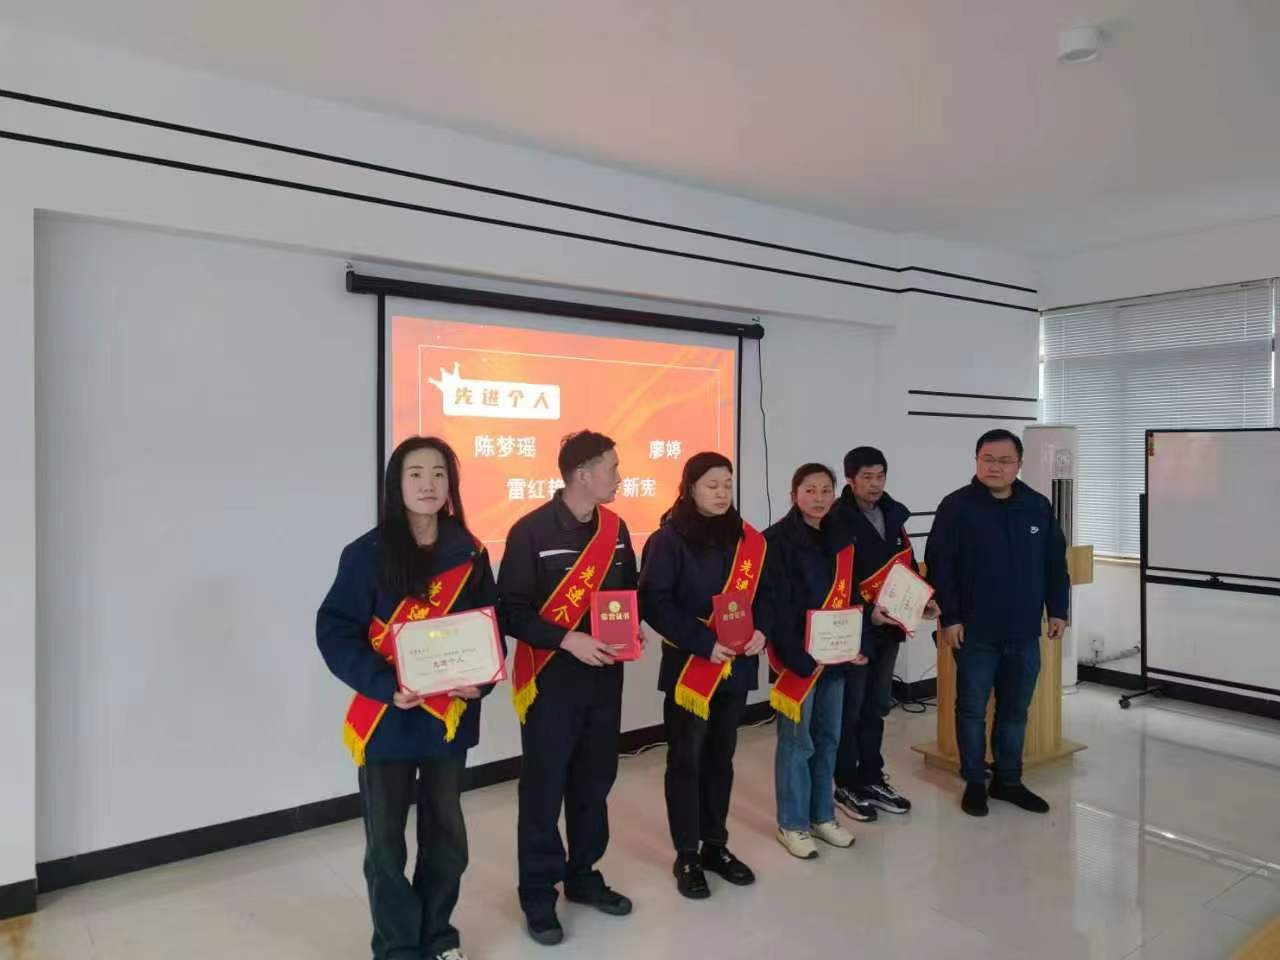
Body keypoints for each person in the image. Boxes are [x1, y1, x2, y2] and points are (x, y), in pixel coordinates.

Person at [317, 436, 499, 960]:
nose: (428, 484)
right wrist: (383, 685)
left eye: (439, 473)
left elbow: (490, 626)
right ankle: (397, 945)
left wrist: (481, 681)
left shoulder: (470, 552)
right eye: (415, 473)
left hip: (447, 718)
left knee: (446, 837)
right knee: (386, 844)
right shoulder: (366, 555)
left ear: (451, 485)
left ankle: (438, 936)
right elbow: (335, 631)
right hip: (387, 719)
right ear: (396, 485)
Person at [498, 430, 639, 946]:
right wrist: (566, 639)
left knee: (594, 783)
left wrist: (632, 626)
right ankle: (538, 893)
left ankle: (583, 875)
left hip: (604, 679)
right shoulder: (529, 532)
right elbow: (511, 612)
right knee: (544, 788)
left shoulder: (616, 530)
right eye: (612, 467)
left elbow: (627, 592)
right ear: (583, 473)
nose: (619, 477)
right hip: (551, 681)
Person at [639, 452, 769, 900]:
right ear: (690, 487)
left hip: (736, 667)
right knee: (686, 760)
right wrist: (701, 642)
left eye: (727, 484)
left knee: (721, 758)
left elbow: (768, 595)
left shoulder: (747, 540)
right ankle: (687, 854)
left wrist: (762, 631)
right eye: (712, 485)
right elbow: (654, 602)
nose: (721, 493)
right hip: (691, 668)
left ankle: (715, 845)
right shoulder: (669, 539)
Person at [925, 428, 1069, 818]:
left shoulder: (1037, 506)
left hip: (1023, 631)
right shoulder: (956, 507)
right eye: (987, 459)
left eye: (1005, 461)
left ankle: (1008, 780)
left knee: (1015, 710)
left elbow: (1055, 562)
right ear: (976, 460)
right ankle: (975, 780)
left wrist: (1058, 609)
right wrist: (951, 617)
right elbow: (941, 565)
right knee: (972, 709)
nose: (995, 467)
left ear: (1019, 464)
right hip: (975, 632)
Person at [829, 446, 937, 822]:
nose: (875, 484)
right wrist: (865, 612)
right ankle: (846, 782)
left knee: (877, 705)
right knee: (851, 709)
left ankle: (872, 776)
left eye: (880, 476)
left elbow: (907, 565)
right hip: (854, 628)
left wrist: (922, 599)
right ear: (850, 479)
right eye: (867, 477)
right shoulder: (836, 519)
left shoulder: (894, 514)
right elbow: (833, 579)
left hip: (888, 629)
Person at [764, 463, 861, 860]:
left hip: (835, 657)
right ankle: (792, 824)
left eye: (825, 490)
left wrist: (854, 642)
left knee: (828, 739)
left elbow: (852, 597)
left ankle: (822, 816)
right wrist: (798, 656)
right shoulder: (776, 540)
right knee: (796, 742)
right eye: (810, 490)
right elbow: (772, 606)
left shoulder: (842, 537)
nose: (818, 498)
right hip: (797, 661)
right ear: (794, 495)